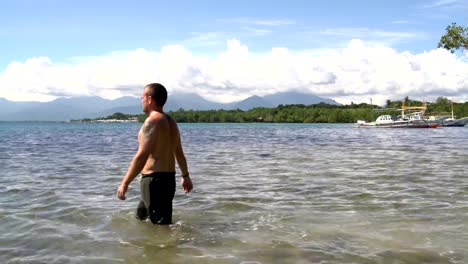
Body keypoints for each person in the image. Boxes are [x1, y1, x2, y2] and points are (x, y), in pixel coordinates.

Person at [117, 83, 193, 225]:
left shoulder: (152, 121)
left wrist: (125, 183)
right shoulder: (171, 122)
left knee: (160, 228)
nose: (142, 101)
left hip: (154, 181)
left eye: (142, 98)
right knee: (141, 219)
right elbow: (179, 153)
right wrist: (185, 176)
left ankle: (167, 246)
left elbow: (141, 156)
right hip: (167, 180)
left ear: (150, 99)